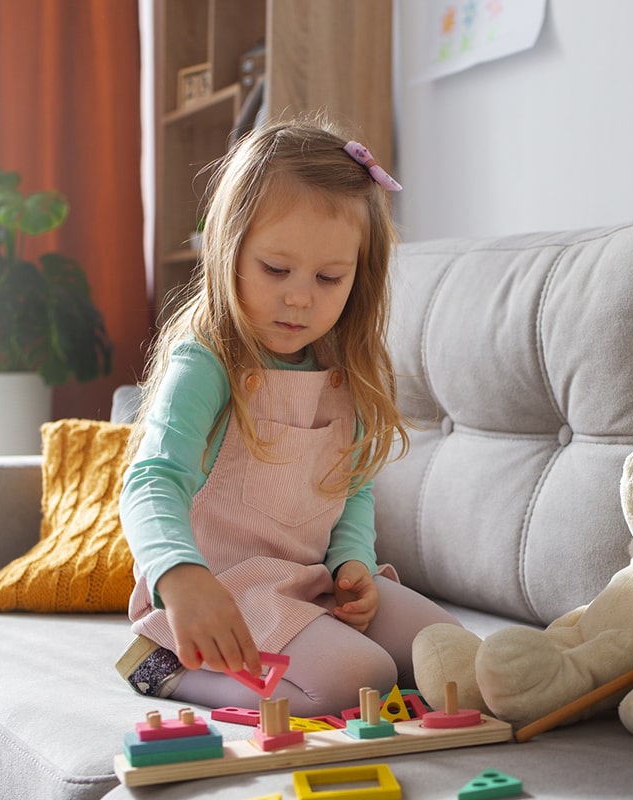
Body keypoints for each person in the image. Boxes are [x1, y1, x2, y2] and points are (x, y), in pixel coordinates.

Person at [116, 115, 460, 717]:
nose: (300, 296)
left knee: (453, 653)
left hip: (311, 585)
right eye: (277, 270)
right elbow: (150, 482)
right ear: (231, 248)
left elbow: (349, 486)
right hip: (222, 591)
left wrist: (351, 561)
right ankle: (163, 667)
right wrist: (179, 576)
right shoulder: (208, 359)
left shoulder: (343, 366)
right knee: (363, 678)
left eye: (329, 278)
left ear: (361, 277)